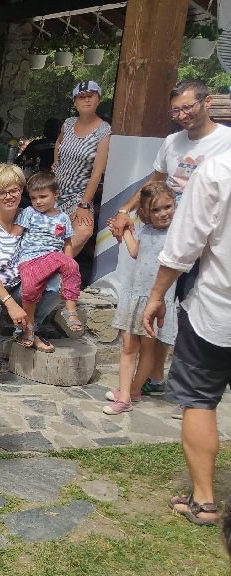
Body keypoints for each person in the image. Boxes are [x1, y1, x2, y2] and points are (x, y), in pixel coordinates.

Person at [108, 79, 231, 414]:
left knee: (191, 312)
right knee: (161, 311)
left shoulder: (225, 142)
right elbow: (155, 183)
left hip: (208, 246)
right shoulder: (172, 142)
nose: (182, 115)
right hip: (168, 241)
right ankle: (156, 378)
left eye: (187, 107)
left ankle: (193, 393)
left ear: (207, 102)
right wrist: (125, 210)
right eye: (175, 111)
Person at [142, 148, 231, 527]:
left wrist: (157, 294)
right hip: (216, 308)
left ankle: (204, 501)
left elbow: (184, 245)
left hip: (216, 308)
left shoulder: (217, 170)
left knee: (199, 401)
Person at [0, 164, 62, 396]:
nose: (9, 196)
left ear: (21, 190)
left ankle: (28, 330)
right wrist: (9, 302)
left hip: (17, 282)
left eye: (14, 190)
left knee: (59, 283)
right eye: (2, 191)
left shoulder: (28, 217)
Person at [102, 182, 178, 415]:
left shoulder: (178, 234)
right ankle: (126, 393)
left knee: (147, 348)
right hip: (135, 294)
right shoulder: (145, 230)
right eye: (156, 209)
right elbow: (136, 252)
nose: (163, 213)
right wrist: (125, 231)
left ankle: (132, 392)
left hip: (157, 299)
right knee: (128, 346)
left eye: (167, 207)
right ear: (145, 212)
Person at [12, 172, 83, 348]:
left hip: (54, 260)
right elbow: (15, 235)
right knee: (29, 289)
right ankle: (28, 327)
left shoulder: (63, 218)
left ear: (56, 194)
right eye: (33, 198)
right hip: (30, 259)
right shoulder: (29, 212)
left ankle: (71, 311)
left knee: (71, 264)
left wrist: (68, 266)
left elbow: (67, 243)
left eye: (43, 196)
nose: (38, 202)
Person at [53, 80, 111, 257]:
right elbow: (58, 142)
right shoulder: (68, 123)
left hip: (79, 194)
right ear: (75, 102)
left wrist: (84, 204)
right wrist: (55, 163)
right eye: (81, 97)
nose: (86, 100)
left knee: (84, 230)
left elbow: (97, 172)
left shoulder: (103, 130)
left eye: (90, 96)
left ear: (98, 99)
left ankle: (54, 265)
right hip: (54, 189)